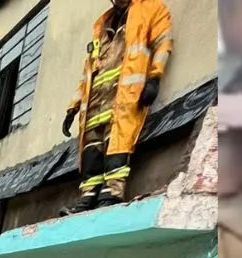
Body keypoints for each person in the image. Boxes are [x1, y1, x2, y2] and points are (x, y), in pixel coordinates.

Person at [62, 0, 173, 215]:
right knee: (91, 147)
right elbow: (88, 71)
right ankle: (88, 196)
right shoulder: (102, 25)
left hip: (123, 95)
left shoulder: (149, 9)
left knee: (117, 140)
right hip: (95, 99)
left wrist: (154, 77)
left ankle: (111, 193)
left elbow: (163, 42)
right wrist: (73, 107)